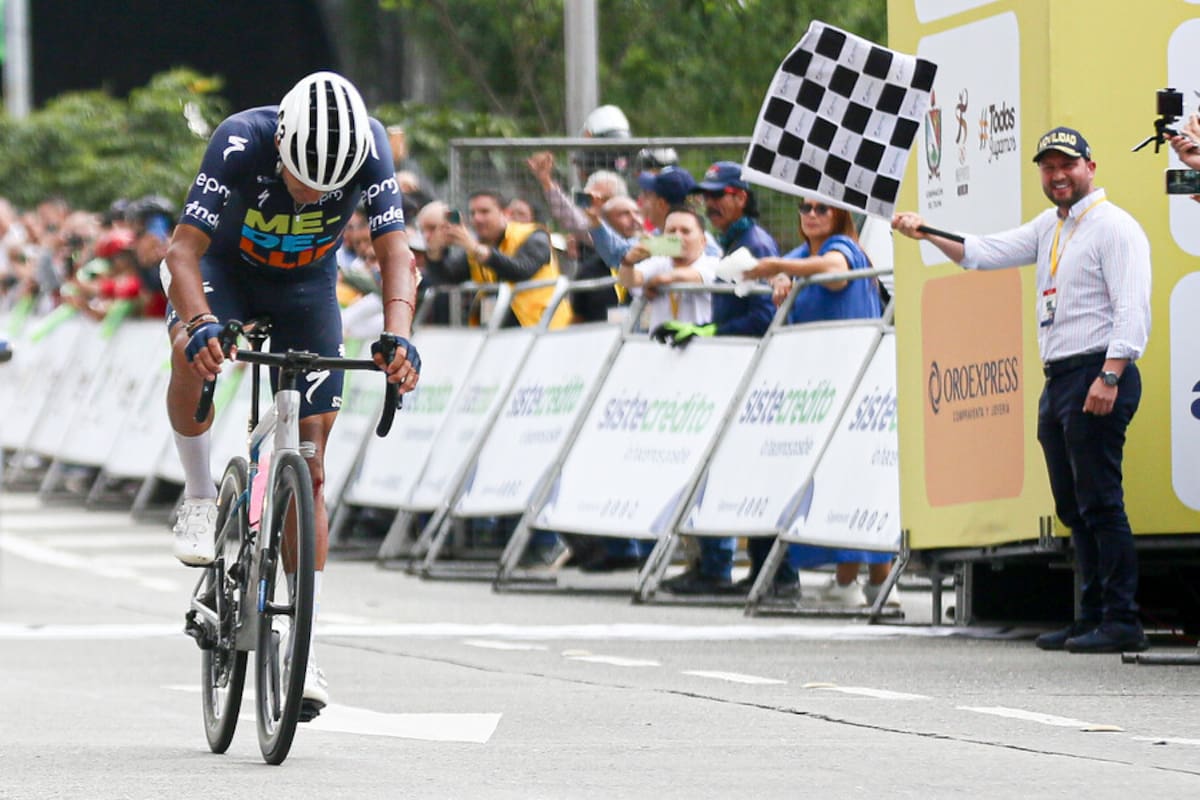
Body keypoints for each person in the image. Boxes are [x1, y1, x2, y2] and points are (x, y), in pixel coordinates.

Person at [163, 72, 422, 712]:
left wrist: (399, 335)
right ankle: (199, 496)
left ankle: (304, 641)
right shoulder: (238, 140)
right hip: (224, 273)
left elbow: (397, 254)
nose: (315, 196)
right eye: (304, 179)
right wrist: (197, 325)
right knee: (191, 361)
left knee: (311, 470)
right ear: (281, 143)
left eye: (330, 188)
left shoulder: (369, 147)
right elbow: (181, 255)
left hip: (307, 286)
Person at [893, 125, 1152, 654]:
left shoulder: (1114, 227)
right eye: (1048, 167)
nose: (1057, 175)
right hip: (1060, 376)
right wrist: (926, 232)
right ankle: (1091, 615)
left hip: (1097, 372)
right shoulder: (1049, 227)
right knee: (1074, 506)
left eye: (1067, 165)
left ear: (1090, 168)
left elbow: (1132, 308)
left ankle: (1122, 619)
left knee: (1102, 502)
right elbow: (983, 252)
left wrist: (1110, 374)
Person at [742, 199, 890, 605]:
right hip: (818, 389)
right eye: (805, 208)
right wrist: (779, 278)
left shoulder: (842, 246)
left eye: (822, 209)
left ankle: (850, 581)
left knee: (852, 481)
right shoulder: (800, 255)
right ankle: (875, 581)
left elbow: (836, 274)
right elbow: (786, 267)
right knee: (839, 480)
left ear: (839, 214)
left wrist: (778, 270)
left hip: (851, 383)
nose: (811, 214)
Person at [658, 162, 778, 597]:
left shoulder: (754, 243)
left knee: (751, 472)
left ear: (740, 197)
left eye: (717, 196)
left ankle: (771, 577)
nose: (710, 205)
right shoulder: (733, 242)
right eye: (704, 197)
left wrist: (709, 332)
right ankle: (720, 568)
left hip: (750, 374)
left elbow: (763, 315)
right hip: (728, 371)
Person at [438, 189, 573, 329]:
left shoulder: (534, 235)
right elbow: (447, 276)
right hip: (498, 332)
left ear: (506, 213)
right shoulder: (479, 246)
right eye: (473, 213)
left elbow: (520, 270)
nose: (477, 218)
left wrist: (477, 249)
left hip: (543, 330)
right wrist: (435, 250)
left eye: (484, 212)